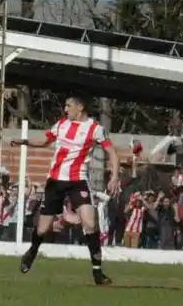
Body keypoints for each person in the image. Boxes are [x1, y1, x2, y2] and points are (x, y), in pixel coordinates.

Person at [11, 94, 119, 284]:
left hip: (78, 180)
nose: (65, 109)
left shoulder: (96, 129)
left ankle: (97, 272)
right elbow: (44, 141)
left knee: (90, 223)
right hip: (55, 181)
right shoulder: (61, 124)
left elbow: (112, 153)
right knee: (43, 228)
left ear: (80, 107)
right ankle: (33, 251)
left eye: (69, 106)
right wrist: (24, 141)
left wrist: (115, 177)